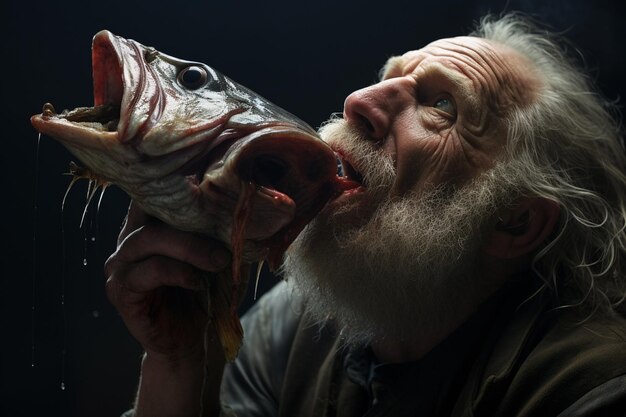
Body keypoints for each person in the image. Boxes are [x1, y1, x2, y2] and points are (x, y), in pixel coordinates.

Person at [106, 12, 626, 417]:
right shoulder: (294, 325)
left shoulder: (591, 388)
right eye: (387, 77)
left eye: (442, 106)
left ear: (516, 221)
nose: (359, 102)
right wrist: (176, 364)